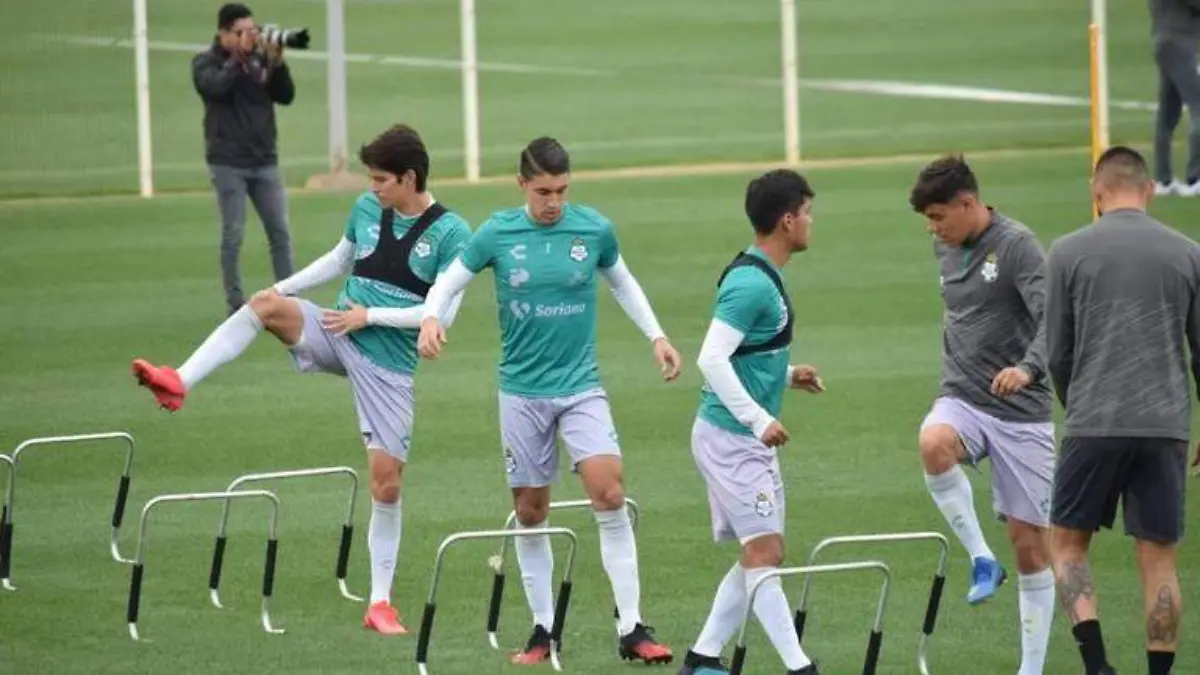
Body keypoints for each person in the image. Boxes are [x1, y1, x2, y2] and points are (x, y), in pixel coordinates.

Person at [131, 124, 470, 637]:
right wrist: (283, 287)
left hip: (386, 364)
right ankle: (179, 380)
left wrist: (369, 316)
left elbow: (436, 316)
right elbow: (339, 259)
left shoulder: (452, 234)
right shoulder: (365, 209)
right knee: (264, 306)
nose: (372, 187)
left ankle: (380, 604)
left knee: (386, 484)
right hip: (336, 331)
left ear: (409, 177)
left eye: (381, 179)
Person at [417, 137, 681, 666]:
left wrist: (657, 336)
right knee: (530, 510)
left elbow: (623, 284)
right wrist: (429, 318)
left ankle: (631, 628)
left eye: (561, 190)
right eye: (543, 191)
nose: (553, 201)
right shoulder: (496, 232)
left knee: (608, 493)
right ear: (521, 186)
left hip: (581, 386)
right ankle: (543, 630)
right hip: (521, 393)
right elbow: (448, 282)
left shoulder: (593, 229)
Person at [1045, 146, 1198, 675]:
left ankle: (1098, 667)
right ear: (1150, 189)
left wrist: (1078, 402)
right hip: (1165, 427)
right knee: (1159, 561)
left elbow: (1056, 352)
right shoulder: (1188, 253)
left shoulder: (1067, 251)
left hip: (1094, 421)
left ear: (1097, 190)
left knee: (1067, 545)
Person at [909, 156, 1056, 675]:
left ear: (968, 204)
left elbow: (1054, 321)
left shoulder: (1018, 246)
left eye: (937, 216)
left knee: (1031, 545)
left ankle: (1030, 669)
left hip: (1022, 412)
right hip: (963, 398)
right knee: (933, 443)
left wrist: (1029, 369)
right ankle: (980, 559)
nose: (932, 229)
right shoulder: (943, 246)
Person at [678, 169, 823, 675]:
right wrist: (760, 418)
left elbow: (744, 353)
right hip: (731, 439)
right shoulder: (750, 284)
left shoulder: (762, 275)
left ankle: (701, 659)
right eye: (806, 212)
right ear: (787, 220)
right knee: (764, 550)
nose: (810, 221)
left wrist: (784, 375)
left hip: (743, 439)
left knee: (762, 553)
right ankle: (800, 667)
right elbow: (711, 359)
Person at [193, 3, 297, 316]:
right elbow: (215, 89)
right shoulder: (205, 63)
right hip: (228, 162)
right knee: (233, 234)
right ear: (223, 33)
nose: (247, 38)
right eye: (240, 32)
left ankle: (289, 298)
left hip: (264, 159)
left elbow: (286, 95)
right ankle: (235, 303)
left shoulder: (261, 61)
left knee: (279, 232)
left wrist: (277, 63)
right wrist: (239, 59)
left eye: (251, 31)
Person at [1149, 0, 1200, 197]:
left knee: (1168, 113)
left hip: (1166, 40)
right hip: (1179, 42)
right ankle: (1195, 178)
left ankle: (1163, 180)